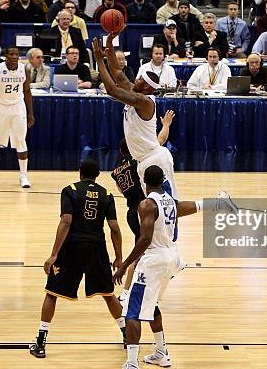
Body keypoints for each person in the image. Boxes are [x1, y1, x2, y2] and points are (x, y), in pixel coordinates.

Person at [29, 159, 125, 358]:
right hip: (96, 249)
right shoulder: (106, 194)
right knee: (108, 294)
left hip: (72, 247)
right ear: (97, 175)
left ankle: (40, 342)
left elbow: (66, 221)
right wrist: (119, 257)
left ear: (80, 173)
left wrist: (54, 254)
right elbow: (114, 228)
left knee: (51, 293)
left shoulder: (70, 190)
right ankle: (127, 334)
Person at [113, 165, 204, 369]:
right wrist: (213, 203)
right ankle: (161, 353)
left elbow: (145, 239)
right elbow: (188, 207)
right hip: (172, 257)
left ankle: (131, 362)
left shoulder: (147, 204)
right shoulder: (170, 201)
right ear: (163, 181)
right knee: (152, 305)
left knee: (131, 311)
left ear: (144, 182)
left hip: (154, 260)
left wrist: (124, 265)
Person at [93, 33, 179, 201]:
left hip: (155, 161)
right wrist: (110, 44)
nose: (136, 79)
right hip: (144, 160)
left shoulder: (144, 101)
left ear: (146, 86)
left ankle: (208, 205)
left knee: (168, 208)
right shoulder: (138, 92)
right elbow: (117, 73)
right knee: (157, 212)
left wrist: (99, 60)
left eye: (139, 78)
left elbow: (113, 90)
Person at [112, 110, 174, 303]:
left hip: (131, 211)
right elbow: (160, 141)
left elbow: (123, 191)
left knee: (144, 249)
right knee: (142, 251)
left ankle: (143, 284)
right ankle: (126, 292)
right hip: (143, 210)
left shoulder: (115, 172)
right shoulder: (137, 160)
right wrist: (166, 125)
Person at [0, 47, 35, 187]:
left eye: (17, 54)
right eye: (11, 54)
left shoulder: (25, 69)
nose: (14, 56)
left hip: (18, 107)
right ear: (5, 56)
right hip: (0, 107)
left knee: (21, 141)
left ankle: (23, 176)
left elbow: (27, 91)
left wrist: (30, 113)